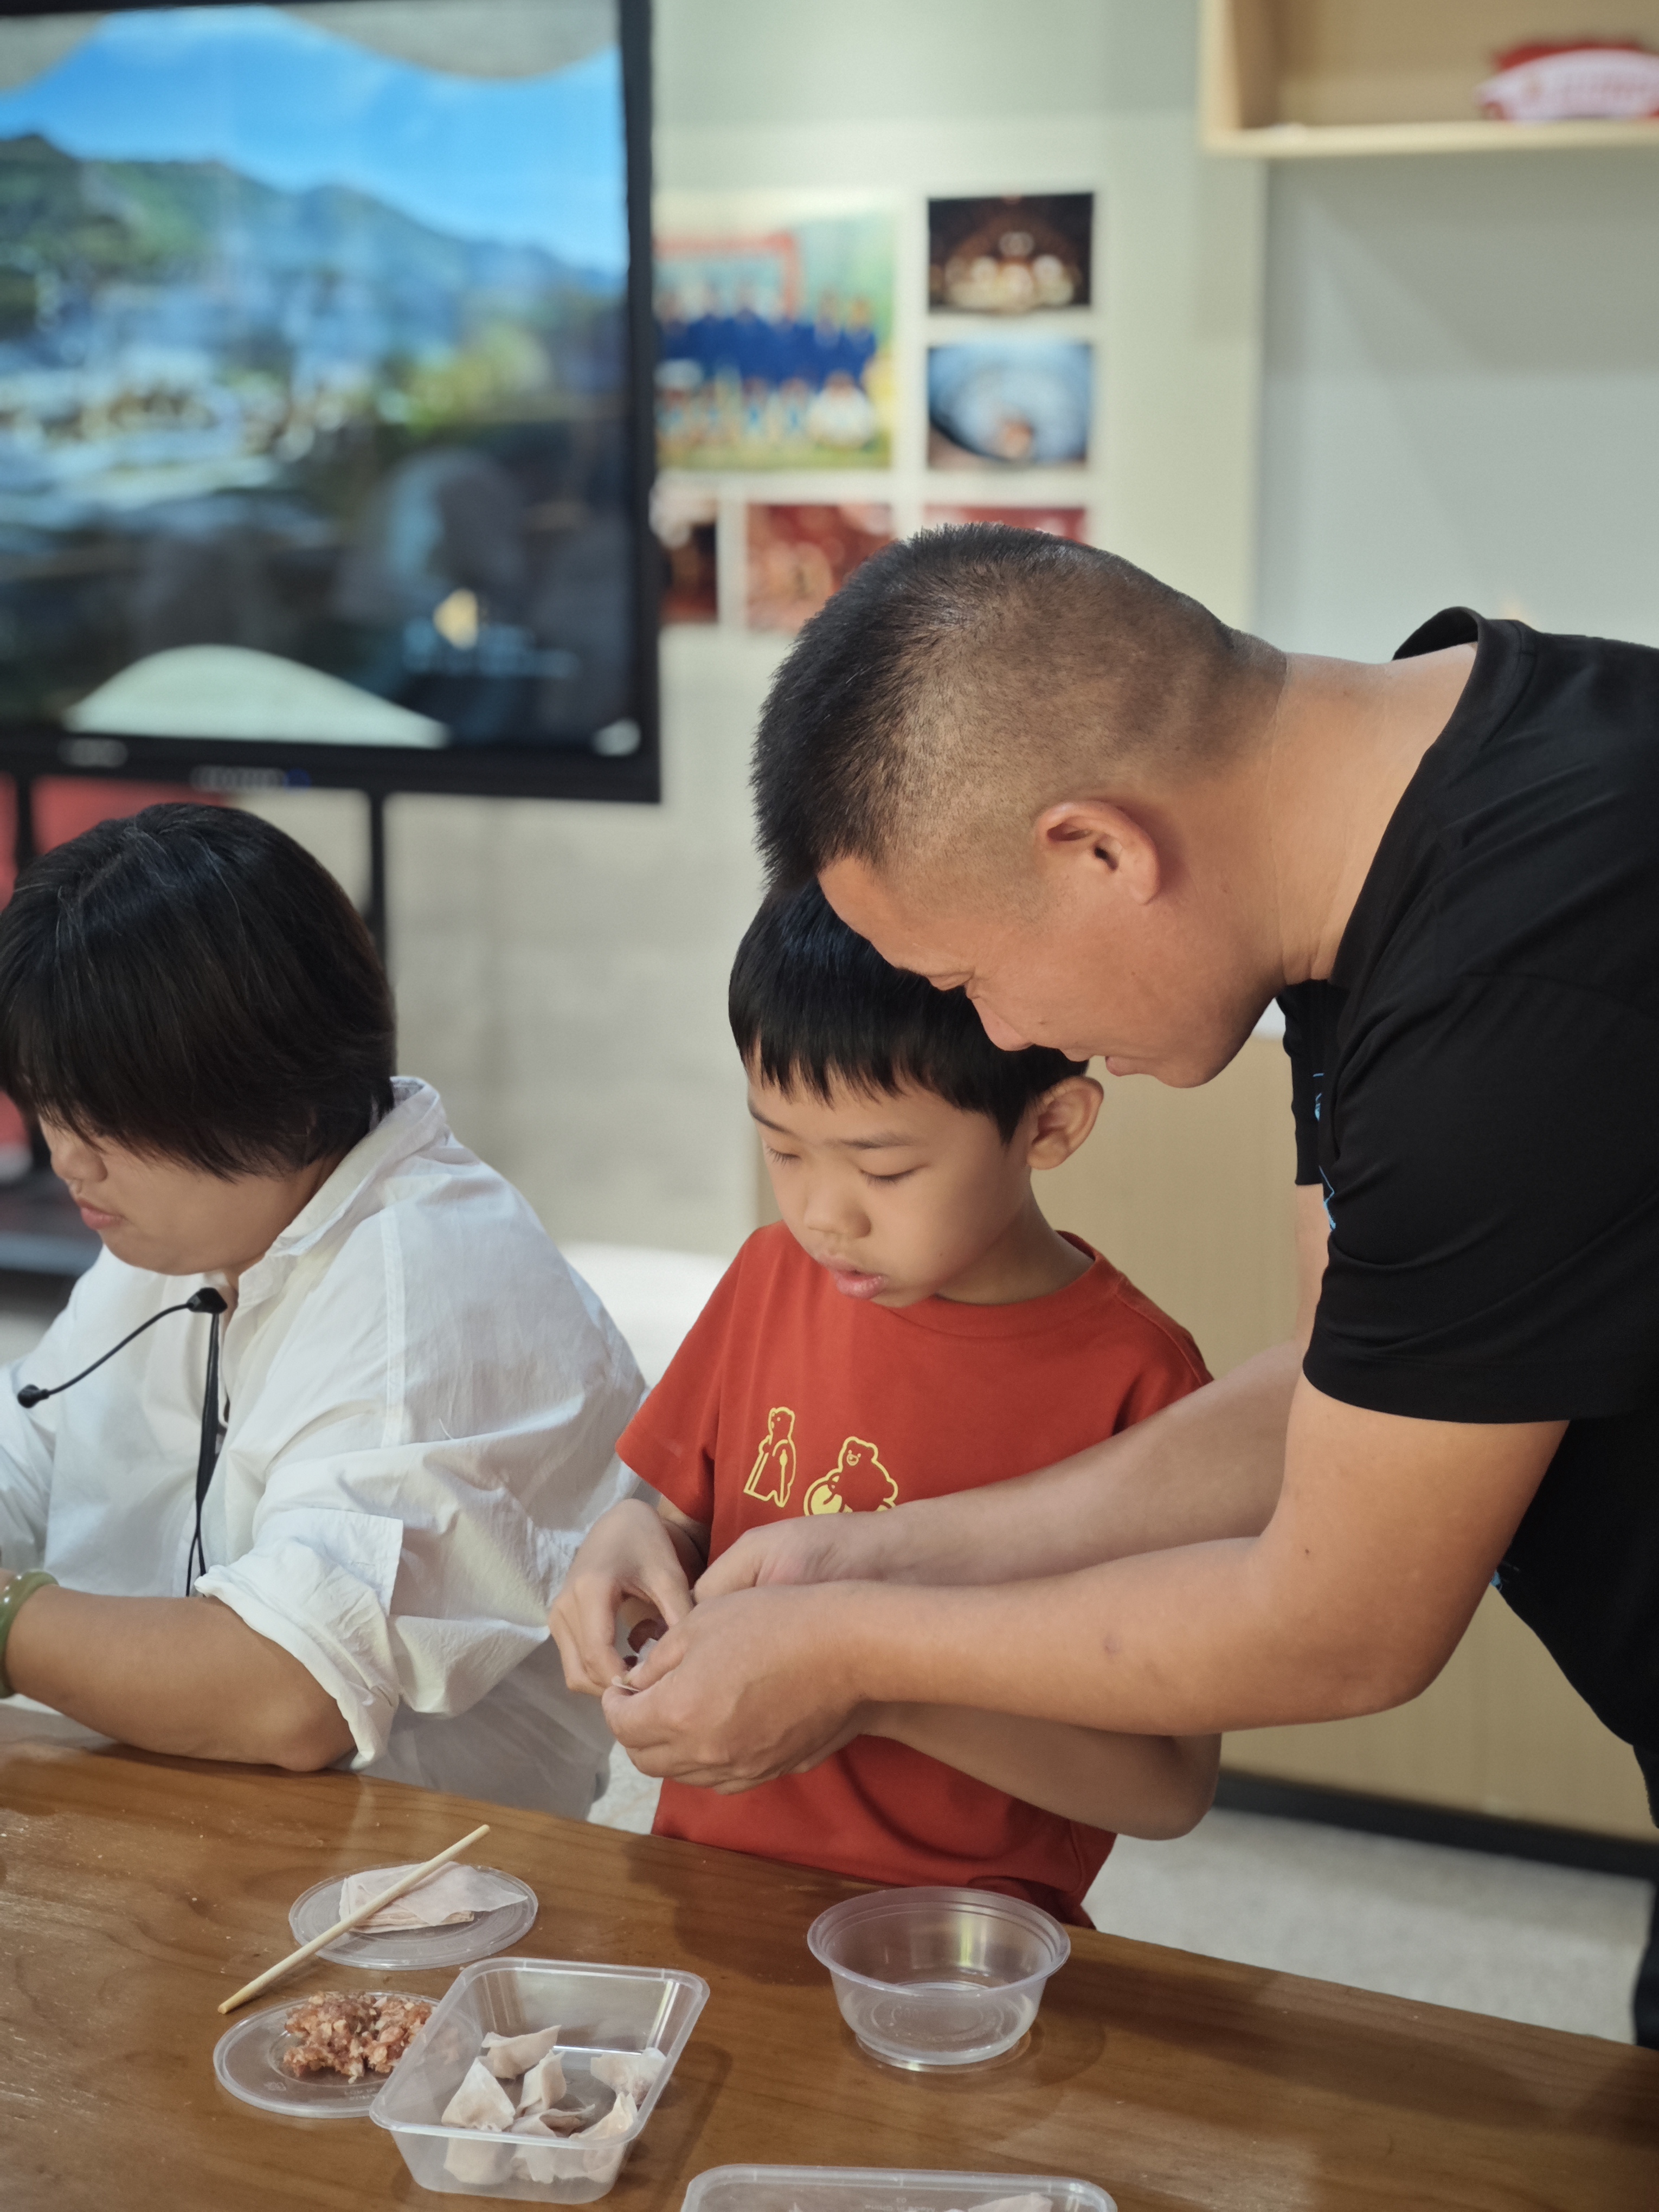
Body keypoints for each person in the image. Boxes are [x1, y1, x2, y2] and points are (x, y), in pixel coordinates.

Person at [601, 524, 1659, 2037]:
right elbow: (1337, 1380)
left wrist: (853, 1650)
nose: (1007, 1030)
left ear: (1099, 850)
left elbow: (1345, 1621)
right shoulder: (1389, 834)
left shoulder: (1508, 993)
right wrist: (875, 1556)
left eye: (967, 979)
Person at [549, 882, 1217, 1922]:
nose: (824, 1216)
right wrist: (628, 1543)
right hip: (705, 1893)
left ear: (1050, 1124)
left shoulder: (1144, 1388)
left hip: (962, 1944)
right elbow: (681, 1528)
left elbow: (1165, 1787)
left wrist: (868, 1685)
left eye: (887, 1169)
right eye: (782, 1150)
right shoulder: (769, 1277)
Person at [0, 803, 641, 1815]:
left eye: (106, 1118)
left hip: (402, 1871)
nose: (67, 1157)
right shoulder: (184, 1228)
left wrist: (9, 1622)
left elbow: (288, 1692)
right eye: (49, 1105)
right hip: (181, 1808)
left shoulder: (427, 1286)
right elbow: (25, 1458)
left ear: (277, 1093)